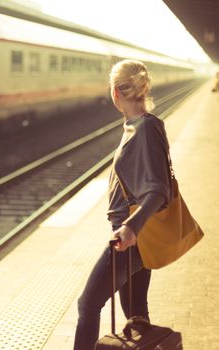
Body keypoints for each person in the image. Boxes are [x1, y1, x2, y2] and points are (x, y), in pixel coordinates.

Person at [73, 60, 172, 350]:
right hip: (135, 235)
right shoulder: (135, 125)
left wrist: (130, 228)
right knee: (137, 317)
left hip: (131, 238)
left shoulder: (145, 128)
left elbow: (158, 189)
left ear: (115, 92)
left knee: (87, 306)